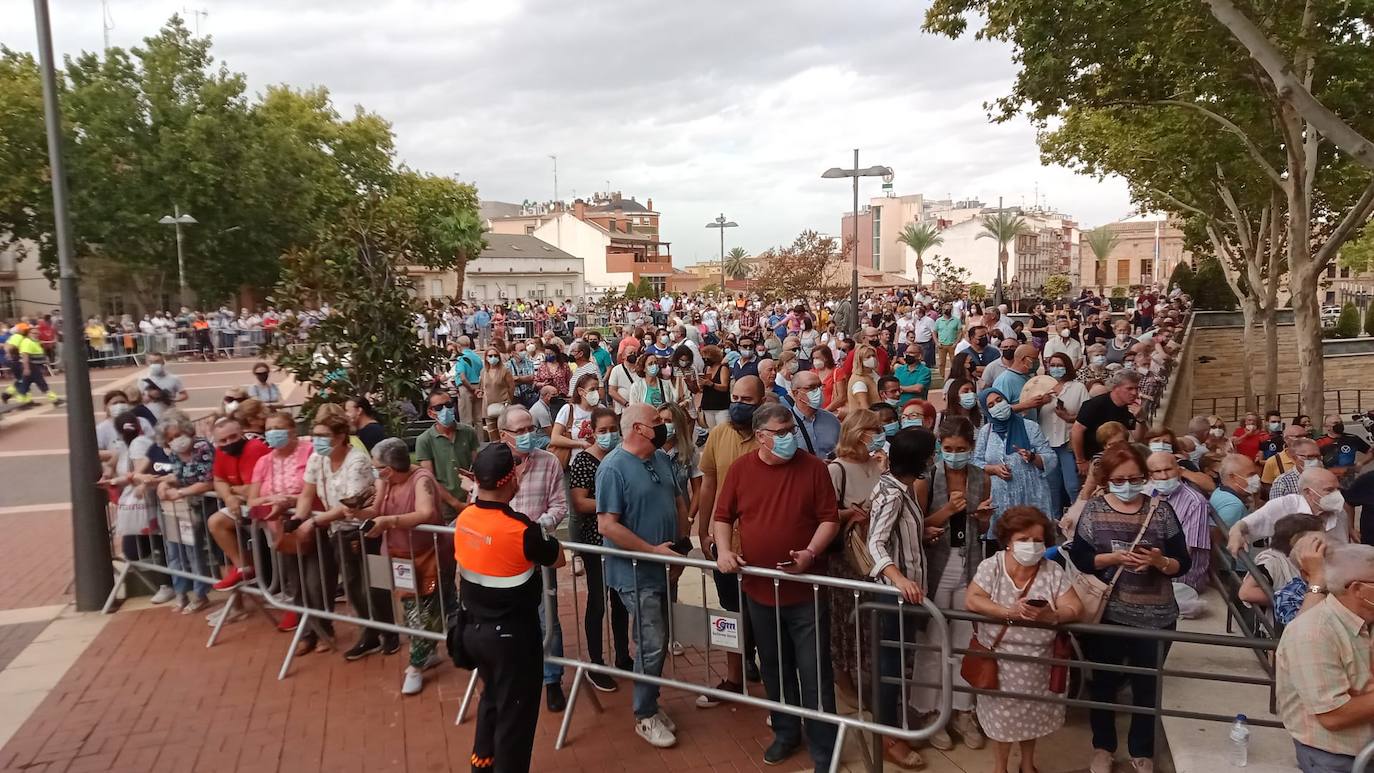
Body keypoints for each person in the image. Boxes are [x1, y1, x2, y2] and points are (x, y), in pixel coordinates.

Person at [713, 403, 840, 771]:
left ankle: (824, 747)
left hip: (805, 594)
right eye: (780, 433)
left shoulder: (814, 468)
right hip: (759, 591)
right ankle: (785, 732)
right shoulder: (741, 469)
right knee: (774, 668)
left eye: (790, 431)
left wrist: (810, 553)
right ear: (761, 437)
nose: (789, 438)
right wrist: (723, 550)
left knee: (815, 673)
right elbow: (723, 516)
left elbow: (829, 520)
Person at [1067, 443, 1191, 773]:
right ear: (1107, 479)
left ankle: (1142, 750)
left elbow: (1183, 562)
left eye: (1135, 478)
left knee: (1147, 687)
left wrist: (1158, 561)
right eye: (1120, 479)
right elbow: (1080, 557)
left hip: (1156, 615)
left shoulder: (1161, 511)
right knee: (1104, 683)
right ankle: (1103, 747)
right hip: (1109, 613)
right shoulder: (1093, 510)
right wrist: (1112, 558)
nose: (1128, 485)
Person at [453, 442, 564, 773]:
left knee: (491, 702)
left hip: (473, 632)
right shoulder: (522, 529)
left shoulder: (465, 518)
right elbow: (556, 558)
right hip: (512, 641)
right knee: (515, 722)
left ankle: (481, 765)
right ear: (509, 479)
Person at [595, 403, 689, 748]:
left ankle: (650, 701)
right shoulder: (612, 469)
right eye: (657, 422)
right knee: (651, 643)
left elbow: (679, 502)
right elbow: (607, 525)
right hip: (635, 574)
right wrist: (651, 552)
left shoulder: (662, 460)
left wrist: (680, 549)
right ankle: (644, 714)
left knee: (657, 642)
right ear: (638, 429)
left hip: (666, 569)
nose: (664, 426)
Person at [966, 506, 1084, 773]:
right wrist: (1008, 611)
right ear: (1008, 541)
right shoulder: (992, 566)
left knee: (1031, 718)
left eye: (1037, 540)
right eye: (1023, 540)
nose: (1031, 546)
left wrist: (1052, 616)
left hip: (1038, 664)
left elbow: (1075, 608)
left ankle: (1028, 765)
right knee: (1002, 721)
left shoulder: (1052, 571)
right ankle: (1001, 768)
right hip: (999, 663)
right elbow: (973, 599)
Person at [912, 417, 990, 751]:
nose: (955, 455)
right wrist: (946, 511)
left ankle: (962, 710)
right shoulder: (926, 479)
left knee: (963, 641)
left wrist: (982, 517)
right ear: (939, 448)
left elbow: (983, 525)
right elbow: (917, 525)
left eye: (961, 449)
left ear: (971, 448)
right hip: (936, 566)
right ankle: (929, 710)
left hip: (968, 562)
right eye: (948, 450)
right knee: (933, 641)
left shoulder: (980, 478)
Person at [293, 409, 396, 659]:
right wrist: (297, 518)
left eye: (323, 435)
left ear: (340, 436)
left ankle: (389, 633)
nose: (316, 440)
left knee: (374, 584)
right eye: (314, 434)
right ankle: (370, 633)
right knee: (353, 587)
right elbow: (307, 494)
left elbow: (349, 506)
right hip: (337, 531)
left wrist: (315, 522)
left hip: (364, 530)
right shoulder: (318, 458)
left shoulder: (357, 461)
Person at [862, 427, 937, 769]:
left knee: (898, 662)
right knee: (889, 665)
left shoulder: (901, 489)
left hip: (907, 594)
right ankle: (887, 735)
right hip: (893, 596)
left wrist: (923, 533)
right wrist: (900, 578)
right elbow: (875, 542)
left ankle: (894, 726)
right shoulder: (892, 493)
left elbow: (897, 535)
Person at [354, 438, 443, 694]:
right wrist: (359, 513)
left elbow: (426, 513)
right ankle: (426, 652)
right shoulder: (384, 481)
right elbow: (375, 509)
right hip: (396, 555)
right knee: (410, 609)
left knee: (426, 612)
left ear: (389, 468)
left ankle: (416, 664)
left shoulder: (421, 479)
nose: (374, 471)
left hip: (426, 556)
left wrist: (389, 521)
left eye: (376, 466)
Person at [496, 405, 571, 711]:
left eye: (531, 429)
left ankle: (552, 679)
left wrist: (534, 531)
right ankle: (514, 673)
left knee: (547, 617)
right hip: (502, 557)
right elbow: (480, 502)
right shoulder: (492, 462)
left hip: (537, 553)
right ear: (504, 435)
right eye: (521, 431)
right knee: (507, 617)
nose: (529, 435)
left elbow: (559, 506)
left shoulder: (550, 461)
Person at [1275, 543, 1374, 771]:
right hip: (1336, 759)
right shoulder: (1313, 633)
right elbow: (1333, 716)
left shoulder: (1366, 622)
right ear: (1357, 589)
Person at [696, 375, 765, 699]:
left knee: (762, 610)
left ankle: (771, 679)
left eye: (746, 400)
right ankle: (735, 676)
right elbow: (708, 481)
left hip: (761, 541)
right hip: (724, 541)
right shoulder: (719, 433)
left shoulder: (771, 439)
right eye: (734, 397)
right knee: (729, 611)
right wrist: (702, 527)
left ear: (761, 403)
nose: (737, 403)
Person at [248, 411, 328, 651]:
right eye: (268, 428)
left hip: (311, 525)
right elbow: (253, 499)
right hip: (281, 533)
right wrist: (272, 499)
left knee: (316, 582)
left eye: (277, 427)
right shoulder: (264, 462)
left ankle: (324, 630)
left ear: (292, 430)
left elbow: (317, 488)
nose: (272, 432)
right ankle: (306, 634)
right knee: (296, 583)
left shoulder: (310, 452)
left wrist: (292, 501)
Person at [824, 409, 886, 709]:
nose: (880, 434)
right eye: (874, 429)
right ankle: (843, 679)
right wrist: (851, 513)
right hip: (847, 558)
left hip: (875, 553)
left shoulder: (877, 463)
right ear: (859, 433)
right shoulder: (837, 469)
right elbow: (824, 515)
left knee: (867, 622)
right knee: (844, 622)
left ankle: (867, 676)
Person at [567, 407, 632, 689]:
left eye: (613, 429)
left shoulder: (623, 457)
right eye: (603, 430)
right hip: (595, 541)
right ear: (592, 431)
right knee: (597, 602)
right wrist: (612, 505)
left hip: (620, 540)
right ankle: (596, 662)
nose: (609, 435)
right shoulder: (583, 461)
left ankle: (623, 655)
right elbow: (579, 502)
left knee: (620, 602)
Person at [204, 418, 272, 591]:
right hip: (245, 507)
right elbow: (218, 480)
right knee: (215, 522)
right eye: (223, 441)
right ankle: (243, 567)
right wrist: (228, 496)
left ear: (241, 432)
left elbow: (252, 490)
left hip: (267, 505)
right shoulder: (221, 452)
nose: (229, 443)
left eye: (233, 437)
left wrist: (231, 491)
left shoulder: (254, 448)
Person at [976, 388, 1054, 528]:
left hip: (1031, 494)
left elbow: (1051, 458)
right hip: (1000, 498)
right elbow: (976, 461)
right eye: (991, 405)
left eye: (999, 400)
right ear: (987, 411)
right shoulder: (986, 432)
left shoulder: (1030, 427)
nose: (997, 406)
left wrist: (1032, 457)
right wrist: (993, 469)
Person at [1227, 468, 1351, 553]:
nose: (1336, 495)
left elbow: (1343, 547)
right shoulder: (1285, 505)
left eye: (1337, 489)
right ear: (1308, 492)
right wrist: (1235, 533)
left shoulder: (1339, 512)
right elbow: (1246, 524)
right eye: (1329, 490)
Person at [1145, 451, 1213, 592]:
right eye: (1158, 471)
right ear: (1150, 475)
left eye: (1168, 469)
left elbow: (1186, 550)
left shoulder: (1195, 502)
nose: (1164, 476)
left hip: (1182, 575)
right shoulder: (1146, 493)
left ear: (1178, 469)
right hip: (1150, 564)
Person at [415, 389, 481, 521]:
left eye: (449, 405)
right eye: (439, 407)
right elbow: (430, 479)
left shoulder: (468, 432)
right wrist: (455, 503)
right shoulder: (424, 440)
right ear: (430, 413)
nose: (445, 409)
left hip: (472, 497)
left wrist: (473, 491)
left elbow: (477, 464)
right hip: (445, 504)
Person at [1072, 371, 1146, 483]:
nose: (1134, 393)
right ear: (1116, 388)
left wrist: (1140, 419)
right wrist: (1080, 461)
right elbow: (1077, 430)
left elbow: (1137, 438)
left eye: (1137, 388)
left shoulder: (1131, 408)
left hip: (1116, 459)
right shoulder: (1095, 405)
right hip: (1090, 457)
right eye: (1129, 389)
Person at [1238, 514, 1324, 609]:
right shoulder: (1272, 561)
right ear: (1297, 540)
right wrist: (1288, 601)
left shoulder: (1316, 557)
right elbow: (1246, 592)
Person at [788, 368, 841, 460]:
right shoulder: (786, 423)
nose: (818, 391)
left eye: (820, 386)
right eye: (811, 388)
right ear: (795, 393)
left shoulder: (832, 420)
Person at [552, 373, 601, 465]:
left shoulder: (601, 410)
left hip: (599, 461)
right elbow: (555, 438)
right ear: (580, 391)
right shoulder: (569, 409)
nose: (596, 393)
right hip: (575, 463)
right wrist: (580, 444)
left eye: (597, 389)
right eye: (592, 389)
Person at [1211, 453, 1260, 528]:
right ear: (1232, 477)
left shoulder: (1220, 491)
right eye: (1251, 475)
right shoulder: (1234, 507)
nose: (1257, 478)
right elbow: (1221, 538)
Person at [480, 345, 516, 440]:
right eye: (490, 356)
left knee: (504, 434)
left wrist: (508, 401)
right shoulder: (483, 372)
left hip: (502, 405)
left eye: (496, 356)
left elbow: (511, 387)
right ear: (486, 358)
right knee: (493, 436)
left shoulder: (505, 371)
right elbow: (483, 388)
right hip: (488, 407)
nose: (493, 358)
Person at [452, 336, 484, 426]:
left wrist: (471, 389)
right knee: (478, 419)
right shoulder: (477, 357)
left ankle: (467, 440)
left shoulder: (461, 358)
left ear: (458, 345)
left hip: (465, 388)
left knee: (466, 420)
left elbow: (462, 377)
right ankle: (480, 439)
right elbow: (481, 373)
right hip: (477, 386)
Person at [698, 345, 732, 428]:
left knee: (723, 431)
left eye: (707, 357)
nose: (705, 360)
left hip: (721, 406)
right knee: (712, 433)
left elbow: (724, 387)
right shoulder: (706, 369)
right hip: (707, 405)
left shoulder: (723, 368)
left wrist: (711, 384)